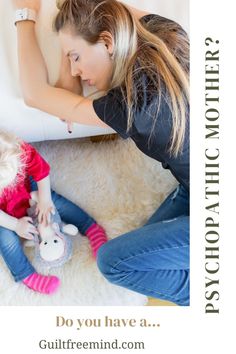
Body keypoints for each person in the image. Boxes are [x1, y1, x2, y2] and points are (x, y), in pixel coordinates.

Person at [12, 0, 189, 305]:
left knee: (113, 262)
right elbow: (107, 10)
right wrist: (68, 22)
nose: (75, 71)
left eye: (75, 57)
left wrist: (25, 15)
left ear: (107, 42)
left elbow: (35, 94)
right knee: (147, 253)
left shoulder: (132, 105)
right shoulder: (166, 35)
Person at [0, 130, 108, 294]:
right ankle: (27, 275)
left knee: (54, 201)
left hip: (28, 192)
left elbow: (41, 172)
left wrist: (44, 200)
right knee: (6, 239)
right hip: (4, 213)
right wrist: (15, 225)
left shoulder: (16, 149)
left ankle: (91, 228)